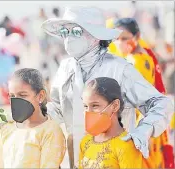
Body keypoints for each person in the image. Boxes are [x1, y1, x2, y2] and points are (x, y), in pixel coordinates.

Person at [41, 6, 173, 167]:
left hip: (115, 156)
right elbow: (58, 107)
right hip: (78, 156)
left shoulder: (119, 69)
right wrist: (31, 114)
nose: (69, 38)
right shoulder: (65, 67)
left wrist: (143, 130)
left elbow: (161, 103)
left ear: (96, 36)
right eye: (65, 32)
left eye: (75, 31)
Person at [110, 18, 174, 168]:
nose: (120, 42)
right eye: (117, 38)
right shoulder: (144, 56)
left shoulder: (135, 61)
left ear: (137, 37)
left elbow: (138, 98)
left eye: (124, 38)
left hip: (143, 124)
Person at [0, 68, 66, 168]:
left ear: (40, 96)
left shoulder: (50, 132)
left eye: (22, 95)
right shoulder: (6, 129)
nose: (16, 101)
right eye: (12, 96)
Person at [80, 77, 148, 168]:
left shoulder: (127, 145)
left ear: (115, 106)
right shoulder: (86, 141)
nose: (88, 112)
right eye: (85, 106)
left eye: (95, 105)